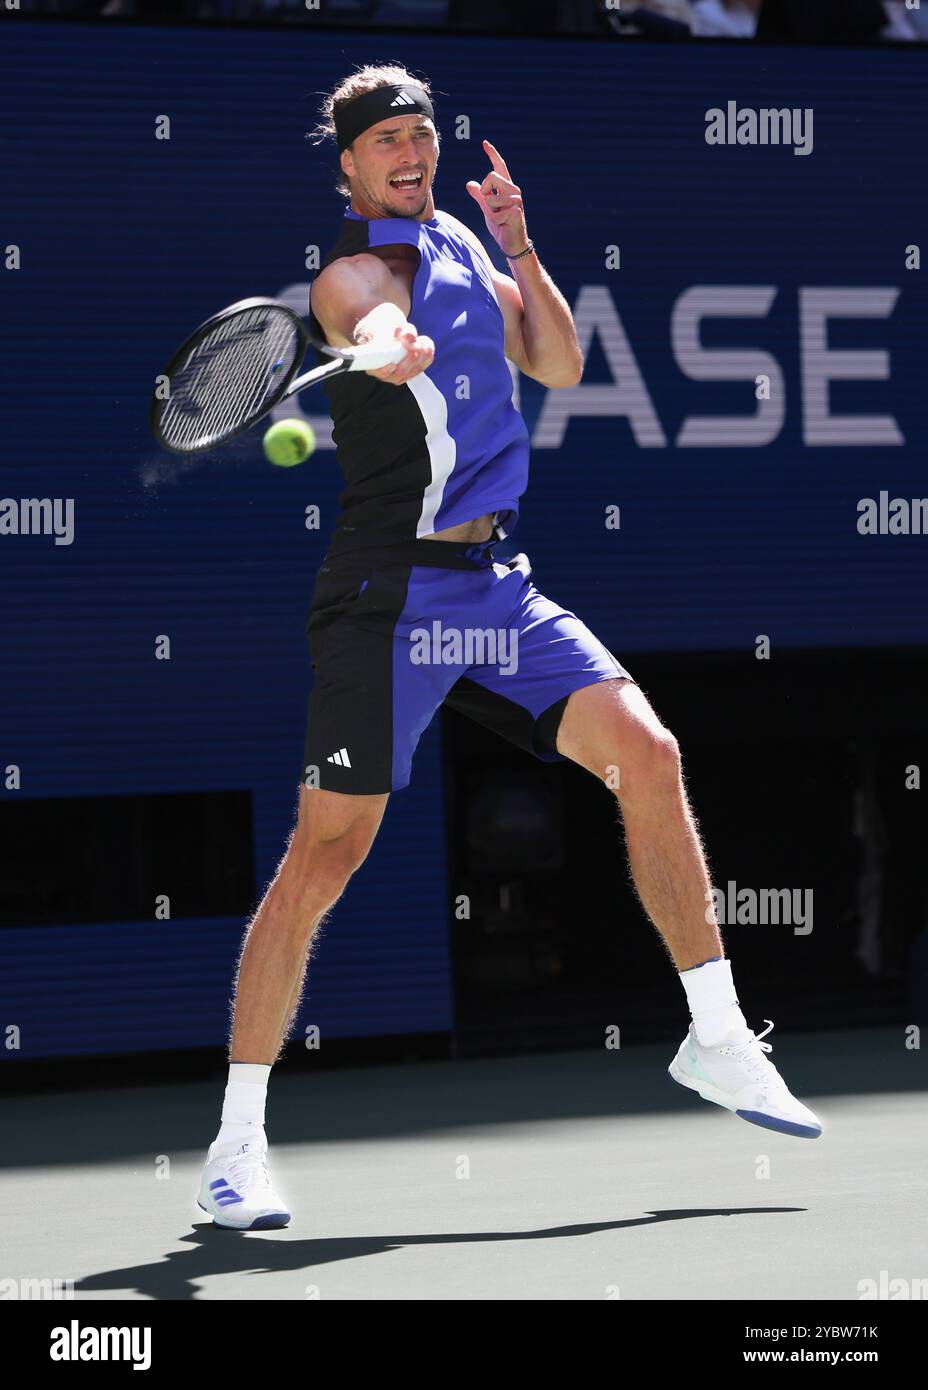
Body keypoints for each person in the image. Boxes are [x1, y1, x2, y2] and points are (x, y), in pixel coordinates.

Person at [196, 63, 822, 1231]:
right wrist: (385, 344)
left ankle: (719, 1038)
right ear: (345, 163)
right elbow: (360, 311)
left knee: (651, 752)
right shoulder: (353, 271)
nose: (408, 151)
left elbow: (560, 365)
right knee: (324, 858)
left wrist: (519, 248)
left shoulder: (459, 247)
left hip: (494, 586)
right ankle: (234, 1143)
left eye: (420, 132)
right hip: (388, 597)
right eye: (383, 139)